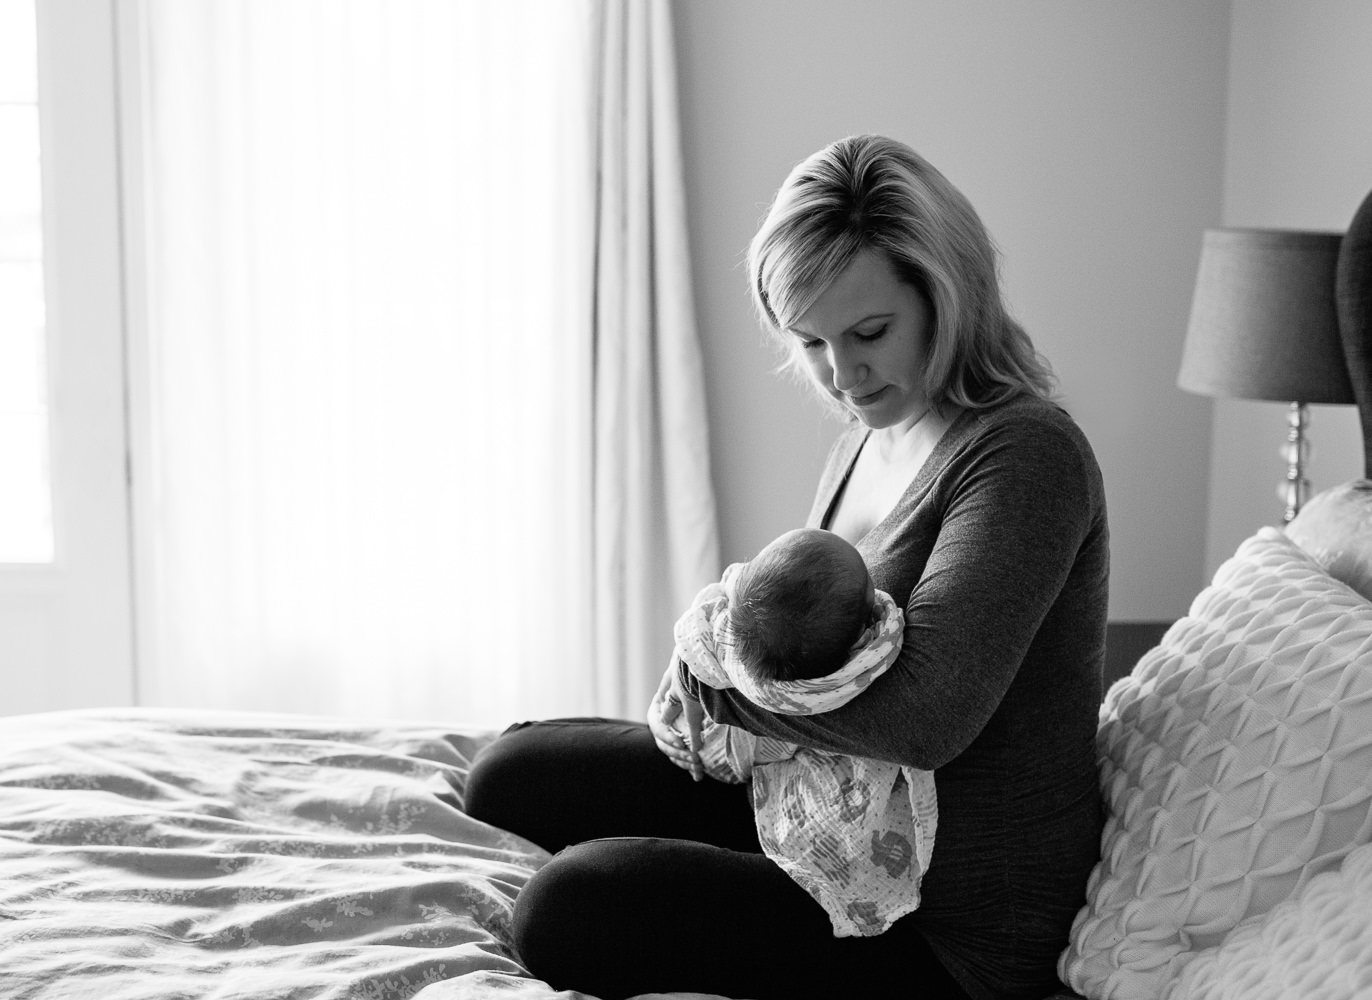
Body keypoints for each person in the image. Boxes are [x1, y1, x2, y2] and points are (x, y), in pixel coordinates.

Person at [464, 133, 1109, 1000]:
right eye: (810, 341)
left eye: (869, 331)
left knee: (569, 907)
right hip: (822, 818)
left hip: (945, 925)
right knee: (510, 774)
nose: (842, 374)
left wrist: (719, 688)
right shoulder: (866, 436)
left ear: (947, 297)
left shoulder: (1026, 455)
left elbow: (928, 719)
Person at [671, 525, 938, 941]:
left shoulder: (737, 630)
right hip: (727, 745)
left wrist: (691, 677)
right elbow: (886, 645)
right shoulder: (838, 680)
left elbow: (699, 627)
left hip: (712, 731)